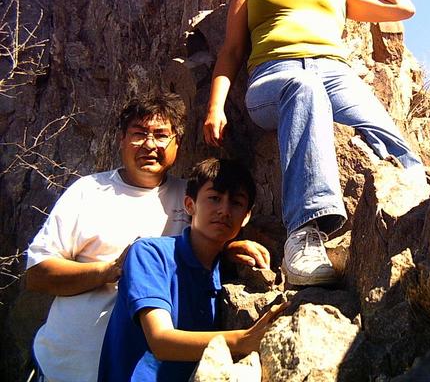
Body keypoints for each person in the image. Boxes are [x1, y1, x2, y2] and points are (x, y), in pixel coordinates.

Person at [203, 0, 425, 286]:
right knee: (303, 88)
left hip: (335, 73)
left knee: (388, 137)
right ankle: (304, 235)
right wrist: (215, 105)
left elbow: (403, 8)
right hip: (276, 75)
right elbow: (232, 51)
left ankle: (425, 206)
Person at [25, 93, 269, 382]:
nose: (150, 145)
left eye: (161, 135)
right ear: (122, 140)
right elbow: (38, 274)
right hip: (66, 365)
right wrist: (111, 270)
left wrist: (229, 249)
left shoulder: (195, 196)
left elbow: (198, 251)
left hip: (143, 368)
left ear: (177, 142)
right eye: (139, 134)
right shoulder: (88, 191)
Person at [98, 158, 285, 381]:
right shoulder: (150, 254)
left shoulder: (225, 271)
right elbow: (160, 341)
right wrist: (242, 341)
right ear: (190, 204)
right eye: (214, 198)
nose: (224, 210)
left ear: (246, 217)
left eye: (235, 203)